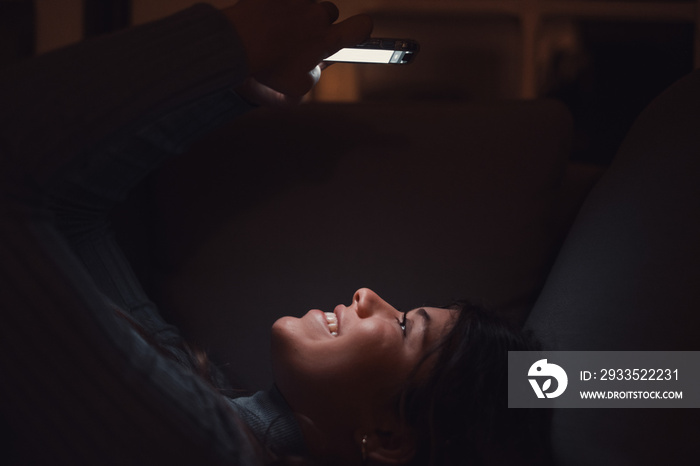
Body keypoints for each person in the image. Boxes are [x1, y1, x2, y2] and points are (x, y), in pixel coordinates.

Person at [0, 1, 545, 465]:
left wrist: (227, 43)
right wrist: (242, 88)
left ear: (387, 437)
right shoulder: (197, 390)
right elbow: (73, 212)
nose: (368, 295)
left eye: (406, 328)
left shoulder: (202, 445)